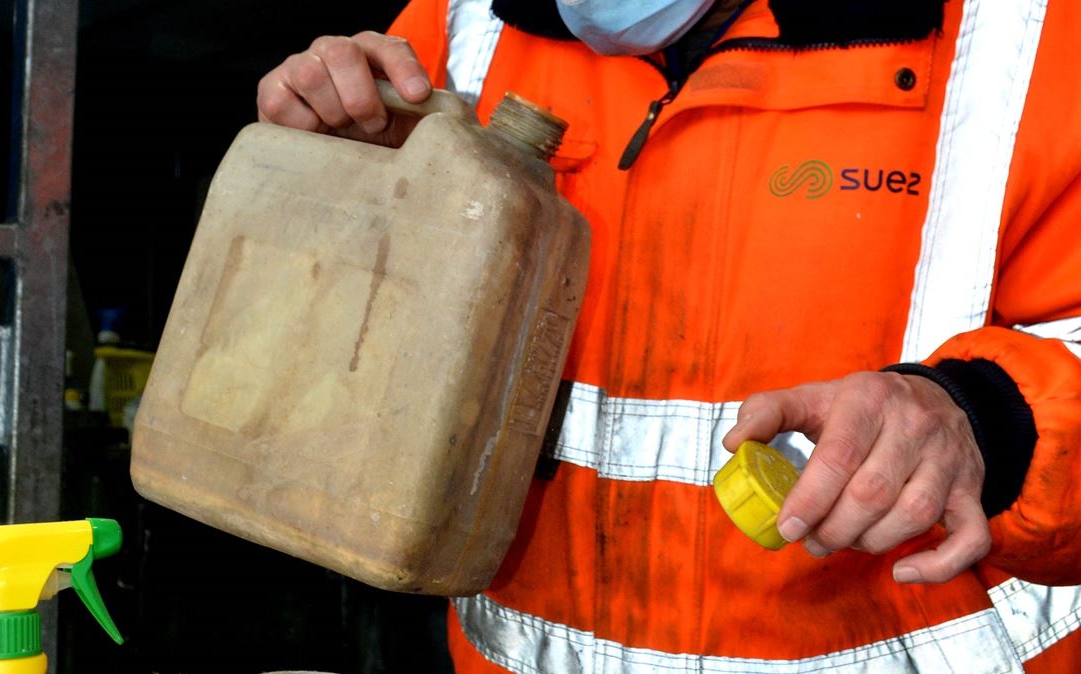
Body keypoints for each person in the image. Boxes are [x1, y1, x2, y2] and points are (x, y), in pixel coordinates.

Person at [257, 0, 1081, 671]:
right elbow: (347, 382)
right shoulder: (462, 28)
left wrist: (984, 419)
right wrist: (333, 193)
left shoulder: (1033, 41)